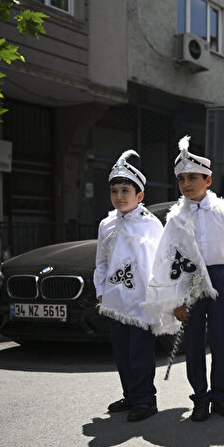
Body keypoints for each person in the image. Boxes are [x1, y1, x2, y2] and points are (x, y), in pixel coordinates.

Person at [145, 136, 224, 422]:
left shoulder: (221, 209)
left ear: (208, 179)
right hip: (189, 283)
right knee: (193, 343)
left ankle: (220, 395)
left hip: (217, 278)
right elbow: (166, 260)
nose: (187, 184)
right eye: (181, 179)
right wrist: (175, 300)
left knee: (220, 340)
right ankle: (199, 398)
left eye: (193, 177)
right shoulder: (176, 217)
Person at [94, 150, 164, 422]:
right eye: (114, 190)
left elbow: (161, 263)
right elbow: (101, 262)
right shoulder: (106, 224)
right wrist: (100, 290)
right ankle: (131, 395)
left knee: (140, 353)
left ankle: (146, 399)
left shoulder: (151, 224)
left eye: (126, 190)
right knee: (122, 353)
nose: (120, 196)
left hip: (141, 301)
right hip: (114, 300)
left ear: (140, 195)